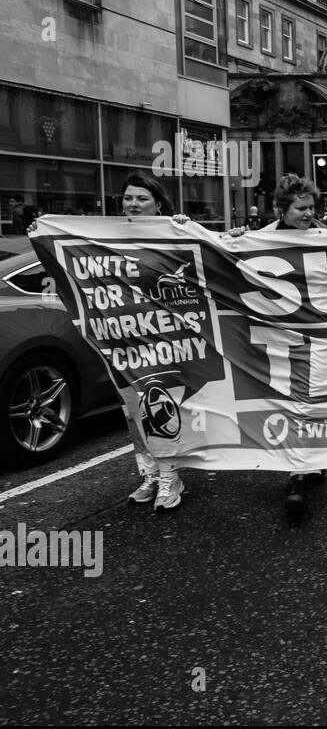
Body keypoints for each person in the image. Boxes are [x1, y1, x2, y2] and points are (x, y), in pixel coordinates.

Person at [227, 174, 327, 518]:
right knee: (291, 401)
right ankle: (297, 476)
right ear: (282, 209)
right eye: (301, 208)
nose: (309, 213)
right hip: (278, 337)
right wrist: (232, 240)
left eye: (311, 207)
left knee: (313, 400)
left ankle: (311, 462)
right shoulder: (261, 240)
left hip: (320, 335)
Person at [117, 172, 191, 512]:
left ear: (158, 204)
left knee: (158, 407)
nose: (133, 204)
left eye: (142, 198)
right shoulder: (105, 239)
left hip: (162, 339)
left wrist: (184, 229)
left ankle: (169, 476)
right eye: (129, 198)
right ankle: (148, 473)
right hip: (119, 340)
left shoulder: (171, 236)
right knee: (133, 412)